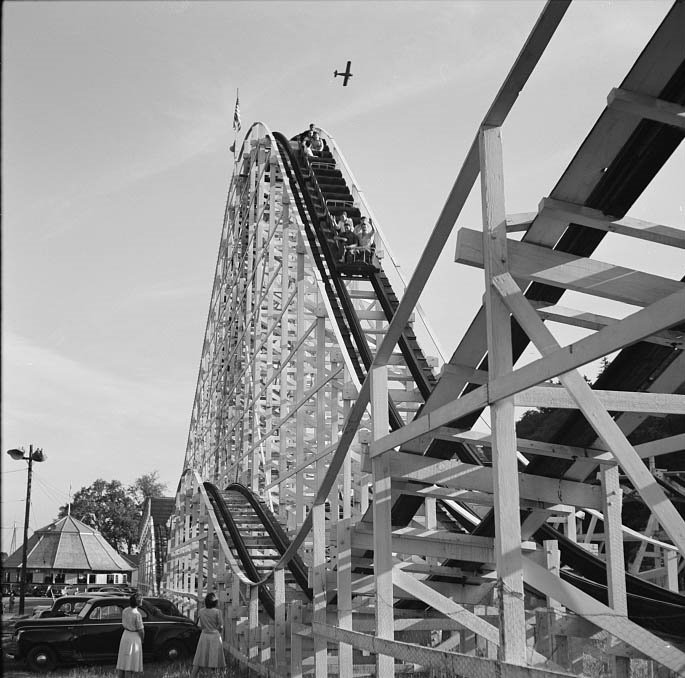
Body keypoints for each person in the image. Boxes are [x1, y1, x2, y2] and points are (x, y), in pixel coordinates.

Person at [191, 592, 226, 677]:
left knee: (199, 658)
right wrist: (219, 631)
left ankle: (192, 676)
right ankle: (220, 675)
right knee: (214, 659)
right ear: (215, 602)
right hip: (215, 636)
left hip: (204, 636)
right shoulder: (218, 612)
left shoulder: (201, 611)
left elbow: (199, 625)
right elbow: (221, 626)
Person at [117, 593, 144, 678]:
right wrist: (142, 639)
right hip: (134, 637)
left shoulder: (125, 610)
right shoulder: (137, 614)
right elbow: (141, 630)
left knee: (124, 660)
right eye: (141, 599)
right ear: (138, 602)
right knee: (131, 661)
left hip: (125, 635)